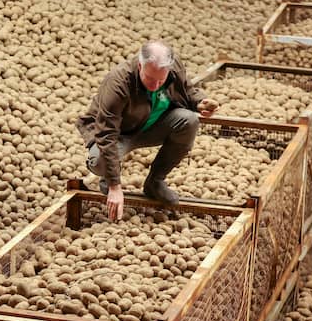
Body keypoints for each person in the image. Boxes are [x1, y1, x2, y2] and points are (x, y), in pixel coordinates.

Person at [76, 41, 218, 220]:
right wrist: (115, 186)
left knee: (189, 120)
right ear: (140, 65)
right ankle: (108, 175)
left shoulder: (173, 68)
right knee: (99, 161)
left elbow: (187, 91)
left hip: (153, 125)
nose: (155, 85)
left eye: (161, 80)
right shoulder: (118, 82)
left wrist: (200, 103)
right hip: (120, 133)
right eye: (150, 79)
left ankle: (155, 182)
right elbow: (107, 133)